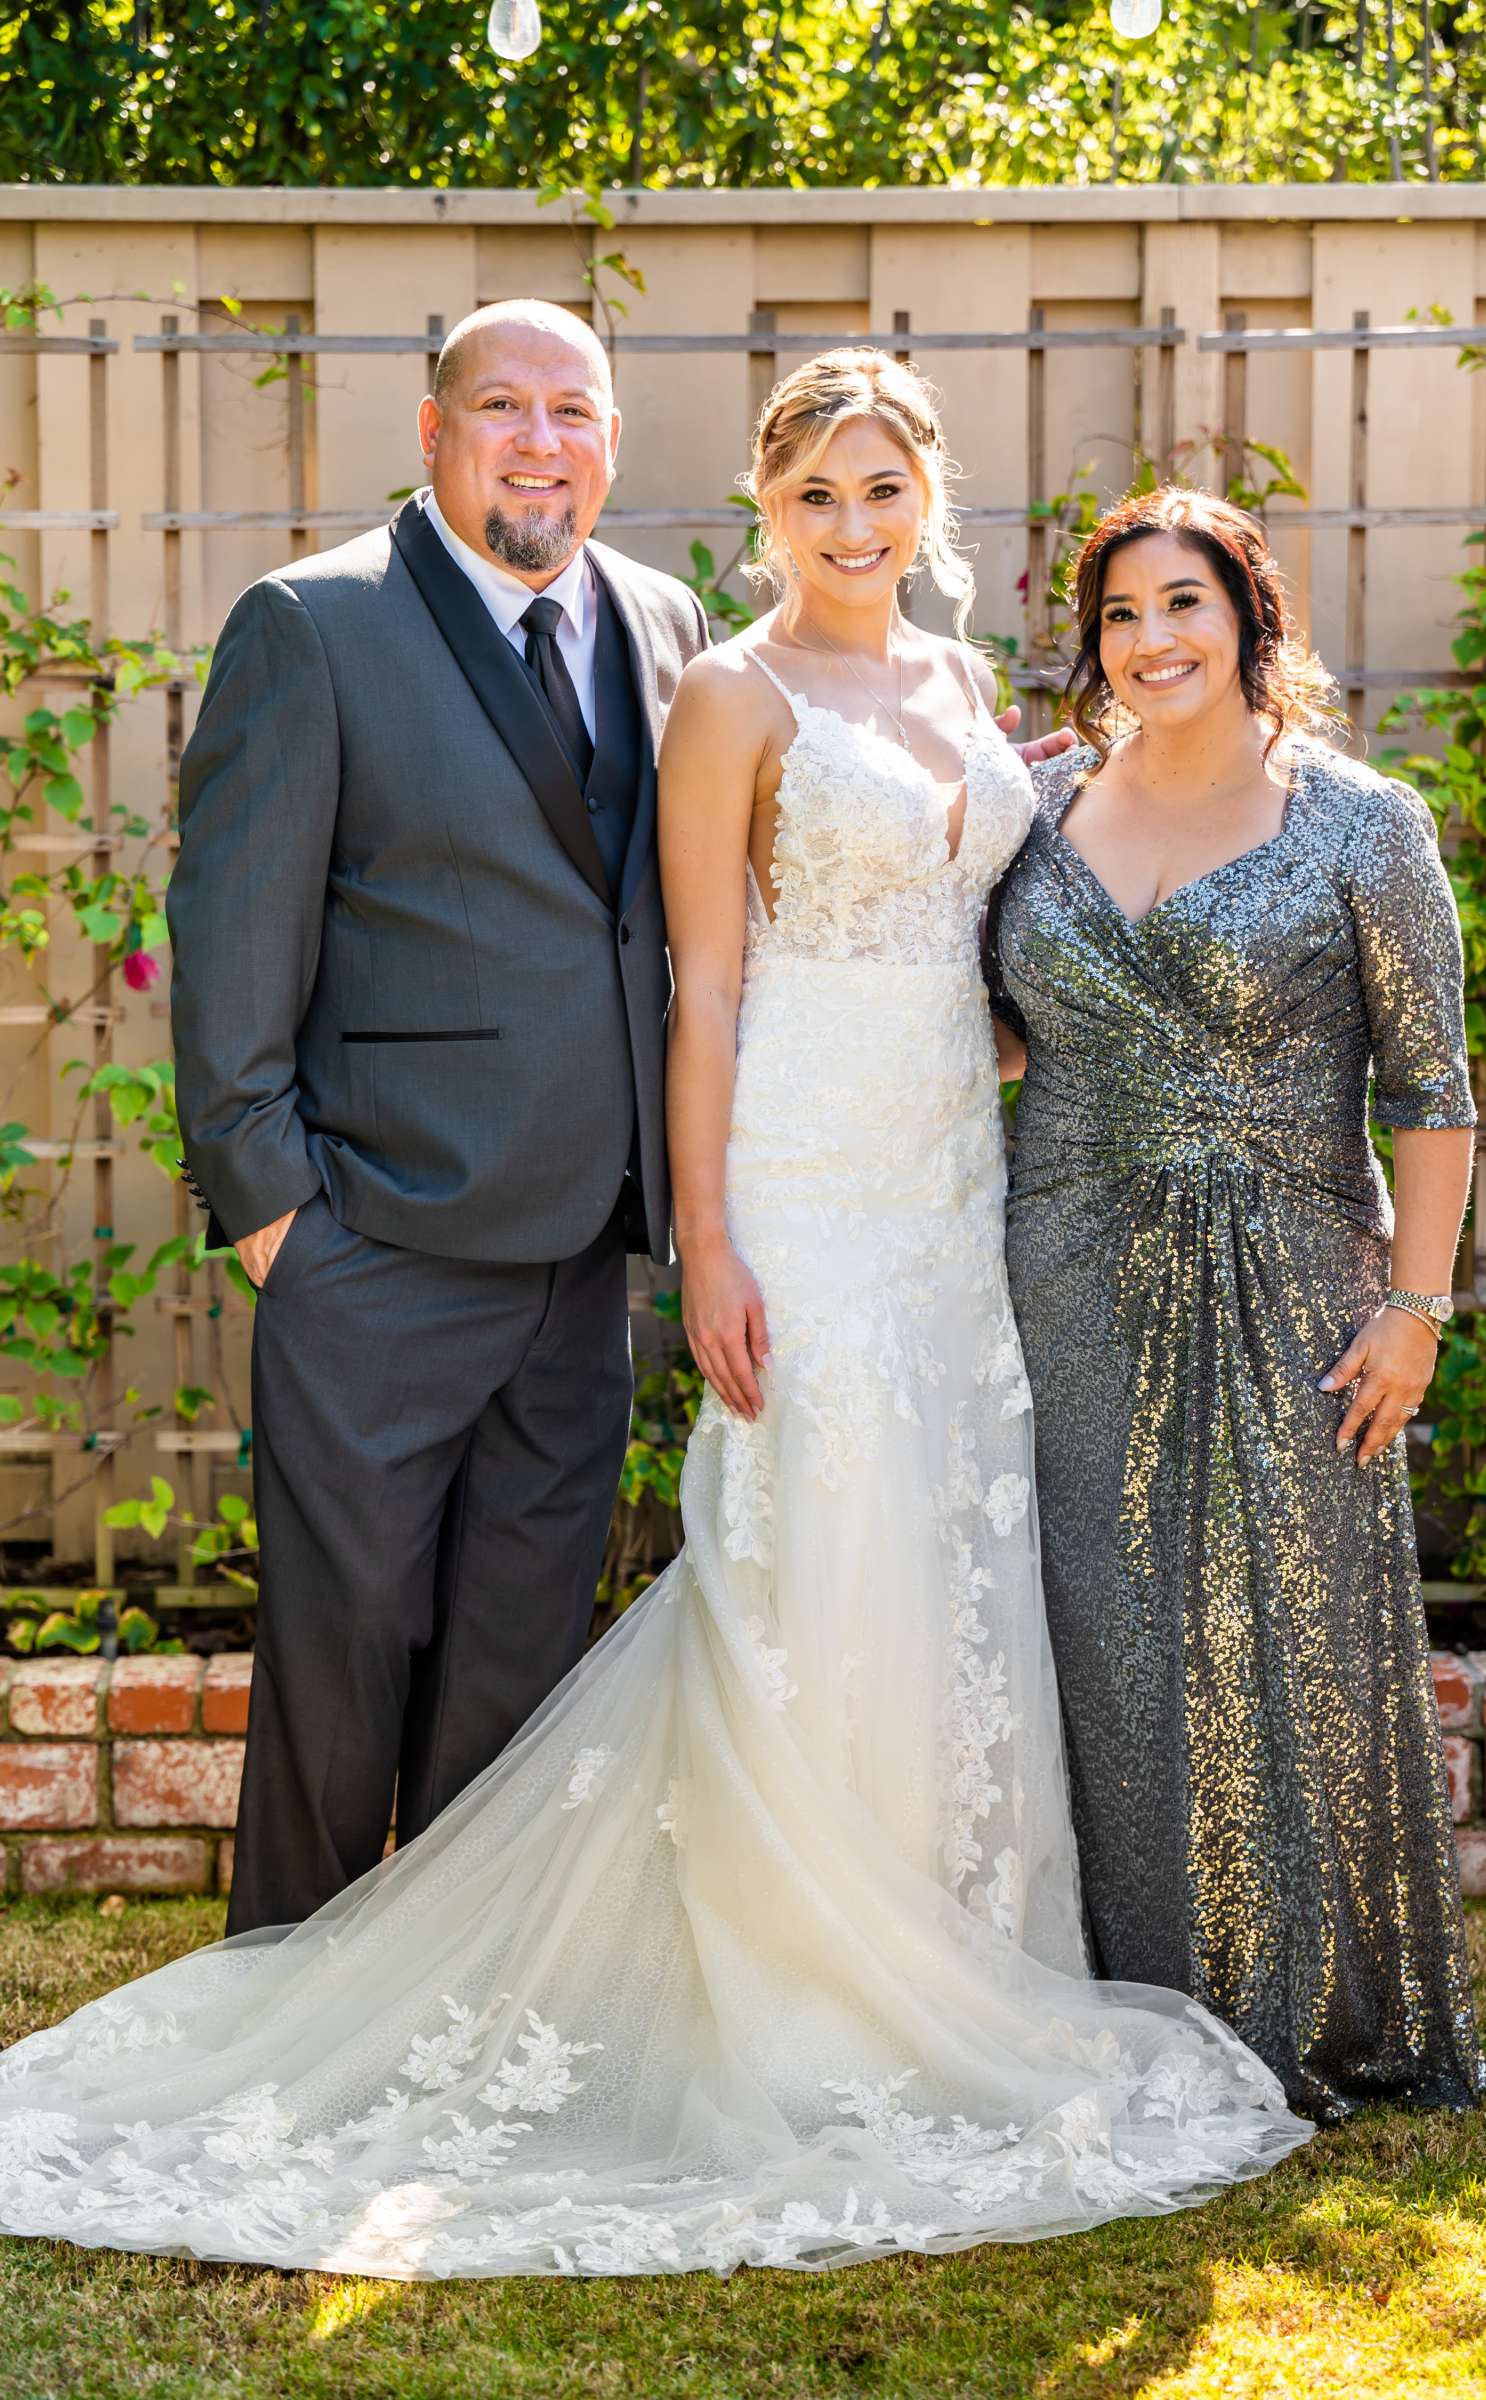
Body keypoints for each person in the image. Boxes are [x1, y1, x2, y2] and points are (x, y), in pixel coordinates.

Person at [0, 356, 1308, 2281]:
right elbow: (692, 980)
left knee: (883, 1561)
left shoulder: (851, 668)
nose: (852, 527)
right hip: (675, 1199)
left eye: (883, 492)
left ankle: (909, 1957)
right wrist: (661, 1234)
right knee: (456, 1605)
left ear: (927, 496)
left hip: (919, 1193)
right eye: (815, 497)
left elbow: (993, 925)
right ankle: (354, 1983)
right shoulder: (559, 653)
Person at [166, 300, 710, 1935]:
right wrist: (280, 1222)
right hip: (375, 1245)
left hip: (583, 1258)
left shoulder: (671, 623)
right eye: (502, 409)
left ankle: (467, 2008)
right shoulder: (312, 627)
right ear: (432, 430)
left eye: (573, 412)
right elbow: (231, 937)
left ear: (613, 438)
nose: (539, 443)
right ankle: (288, 1999)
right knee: (343, 1661)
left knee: (520, 1669)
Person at [986, 485, 1486, 2123]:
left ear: (1251, 619)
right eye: (1122, 616)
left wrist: (1414, 1309)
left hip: (1297, 1279)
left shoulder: (1364, 823)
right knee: (1101, 1633)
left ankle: (1301, 2011)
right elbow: (978, 1025)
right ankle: (1104, 2005)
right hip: (1058, 1264)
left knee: (1285, 1625)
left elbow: (1432, 1088)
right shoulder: (1034, 804)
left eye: (1185, 605)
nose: (1153, 642)